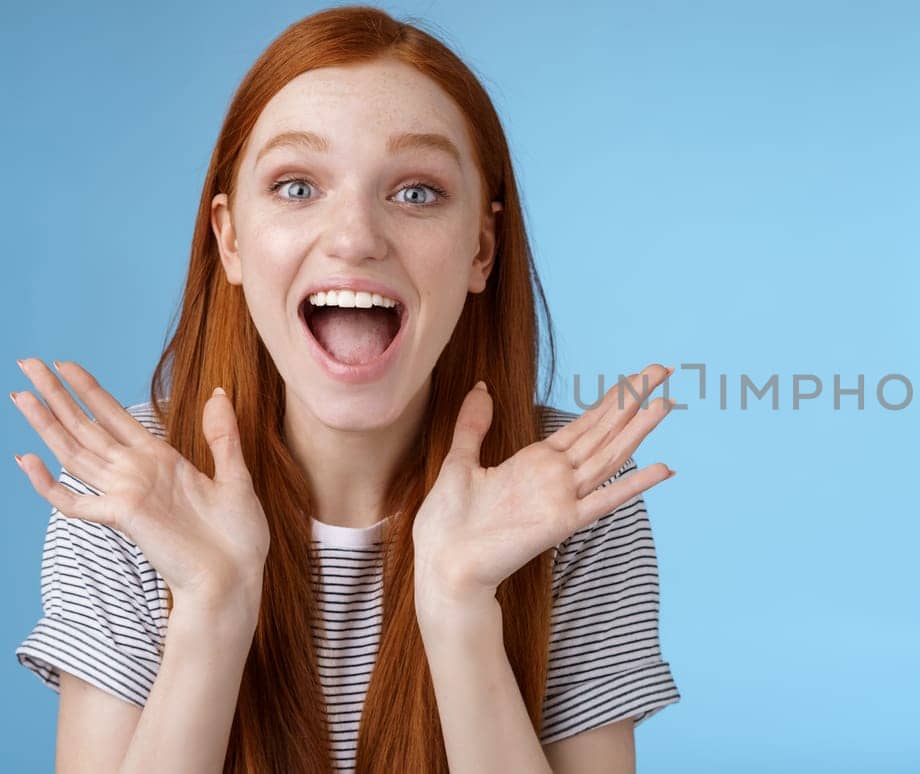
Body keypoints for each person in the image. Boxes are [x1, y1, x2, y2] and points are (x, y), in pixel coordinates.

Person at [7, 6, 681, 772]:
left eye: (418, 192)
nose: (356, 236)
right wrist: (213, 610)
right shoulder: (132, 493)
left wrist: (460, 607)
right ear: (229, 240)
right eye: (297, 186)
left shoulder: (568, 497)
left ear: (481, 251)